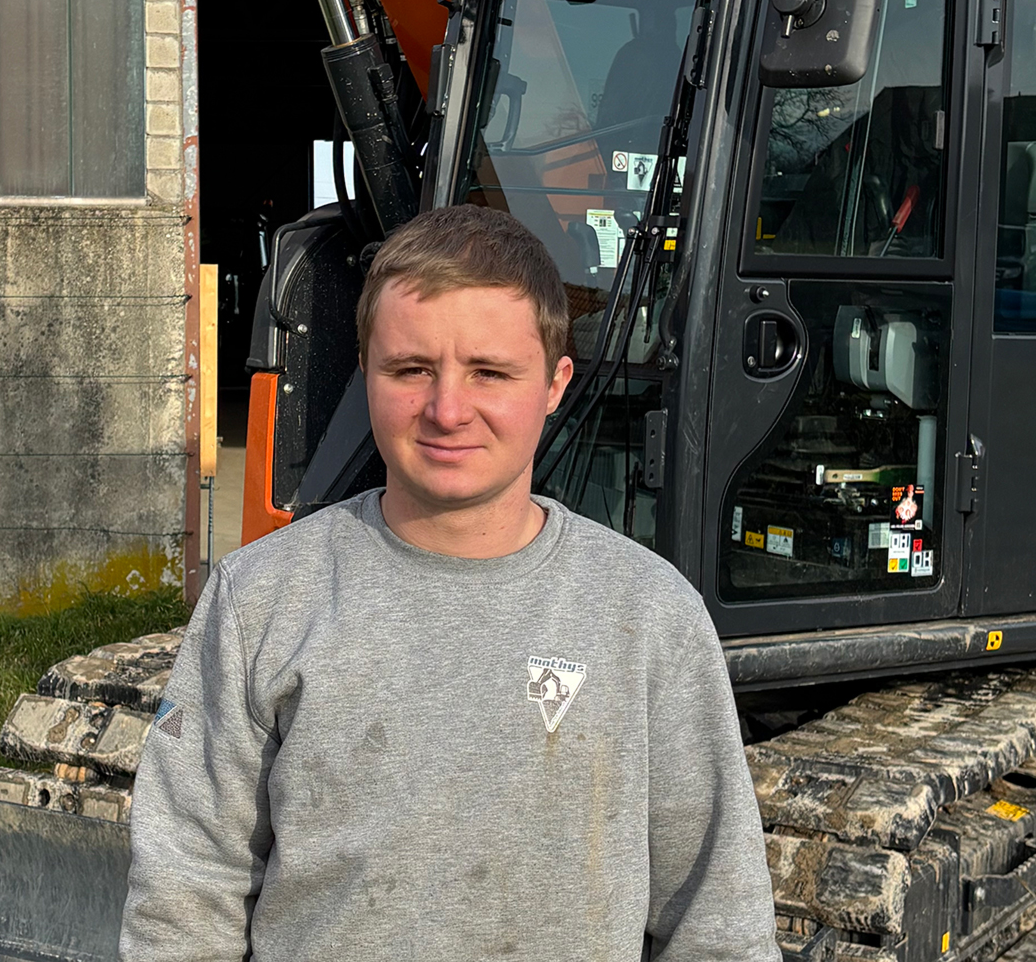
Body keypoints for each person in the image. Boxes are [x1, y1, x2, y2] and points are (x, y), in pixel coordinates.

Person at [119, 204, 779, 962]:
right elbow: (185, 890)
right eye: (411, 370)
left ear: (557, 382)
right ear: (365, 370)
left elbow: (716, 918)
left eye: (490, 373)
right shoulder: (260, 599)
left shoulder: (650, 615)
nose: (446, 409)